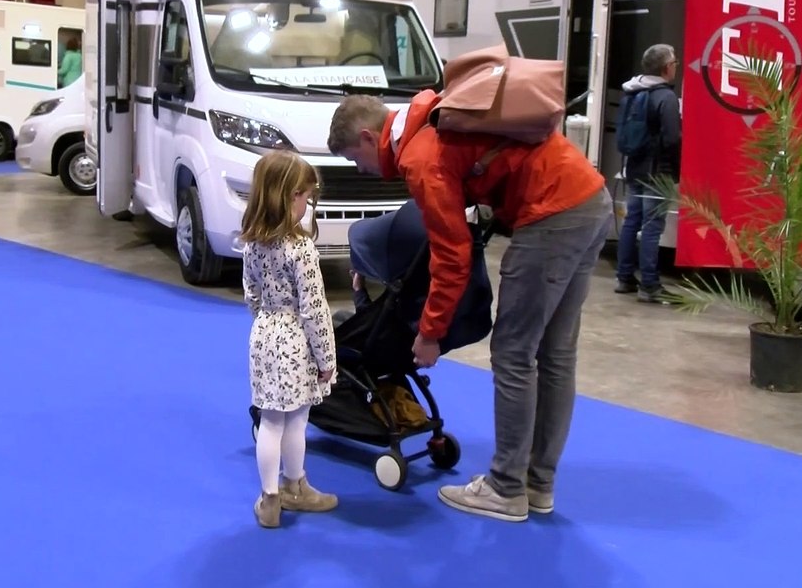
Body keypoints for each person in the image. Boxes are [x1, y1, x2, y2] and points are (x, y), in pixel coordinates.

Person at [326, 53, 611, 523]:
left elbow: (451, 256)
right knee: (556, 355)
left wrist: (430, 331)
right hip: (589, 199)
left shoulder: (421, 156)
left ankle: (505, 488)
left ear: (368, 137)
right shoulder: (432, 112)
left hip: (551, 215)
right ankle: (537, 485)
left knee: (515, 353)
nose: (361, 170)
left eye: (355, 159)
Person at [240, 149, 339, 529]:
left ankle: (269, 499)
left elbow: (251, 293)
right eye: (305, 196)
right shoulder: (301, 250)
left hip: (264, 333)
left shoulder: (252, 244)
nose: (307, 204)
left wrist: (267, 321)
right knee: (297, 419)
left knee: (270, 421)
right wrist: (327, 359)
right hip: (296, 339)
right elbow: (315, 309)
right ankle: (296, 485)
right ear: (288, 197)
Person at [614, 44, 682, 303]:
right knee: (652, 227)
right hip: (658, 171)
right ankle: (650, 285)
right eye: (674, 62)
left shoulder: (631, 91)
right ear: (667, 67)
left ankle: (624, 277)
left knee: (632, 221)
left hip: (634, 167)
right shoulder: (664, 97)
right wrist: (675, 169)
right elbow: (672, 138)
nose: (675, 65)